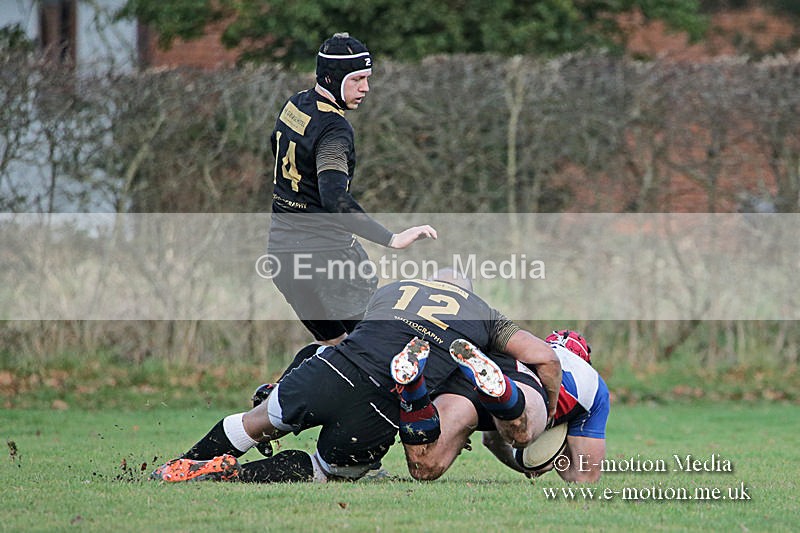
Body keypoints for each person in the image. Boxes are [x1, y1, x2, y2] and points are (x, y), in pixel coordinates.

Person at [150, 273, 561, 484]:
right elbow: (542, 356)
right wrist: (551, 402)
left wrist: (291, 376)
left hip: (336, 367)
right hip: (380, 406)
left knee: (255, 422)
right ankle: (232, 476)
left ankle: (180, 465)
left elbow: (339, 339)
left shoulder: (389, 291)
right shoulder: (484, 314)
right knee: (329, 470)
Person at [268, 32, 436, 346]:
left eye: (367, 78)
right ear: (332, 78)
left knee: (335, 350)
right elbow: (334, 198)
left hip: (283, 258)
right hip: (329, 261)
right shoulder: (334, 129)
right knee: (378, 349)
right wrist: (392, 238)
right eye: (357, 79)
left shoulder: (294, 106)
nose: (365, 88)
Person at [482, 329, 609, 482]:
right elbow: (587, 475)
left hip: (519, 375)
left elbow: (490, 441)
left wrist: (525, 465)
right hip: (568, 395)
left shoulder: (532, 351)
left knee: (495, 427)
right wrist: (543, 460)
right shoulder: (592, 380)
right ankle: (536, 455)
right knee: (583, 477)